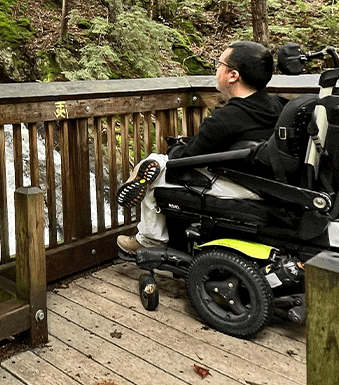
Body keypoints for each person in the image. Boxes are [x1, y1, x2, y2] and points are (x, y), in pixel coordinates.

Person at [117, 41, 285, 254]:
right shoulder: (278, 105)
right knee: (158, 165)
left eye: (219, 64)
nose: (216, 69)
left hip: (247, 187)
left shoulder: (226, 118)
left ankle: (149, 239)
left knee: (158, 172)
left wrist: (174, 151)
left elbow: (187, 158)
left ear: (233, 76)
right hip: (272, 184)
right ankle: (150, 169)